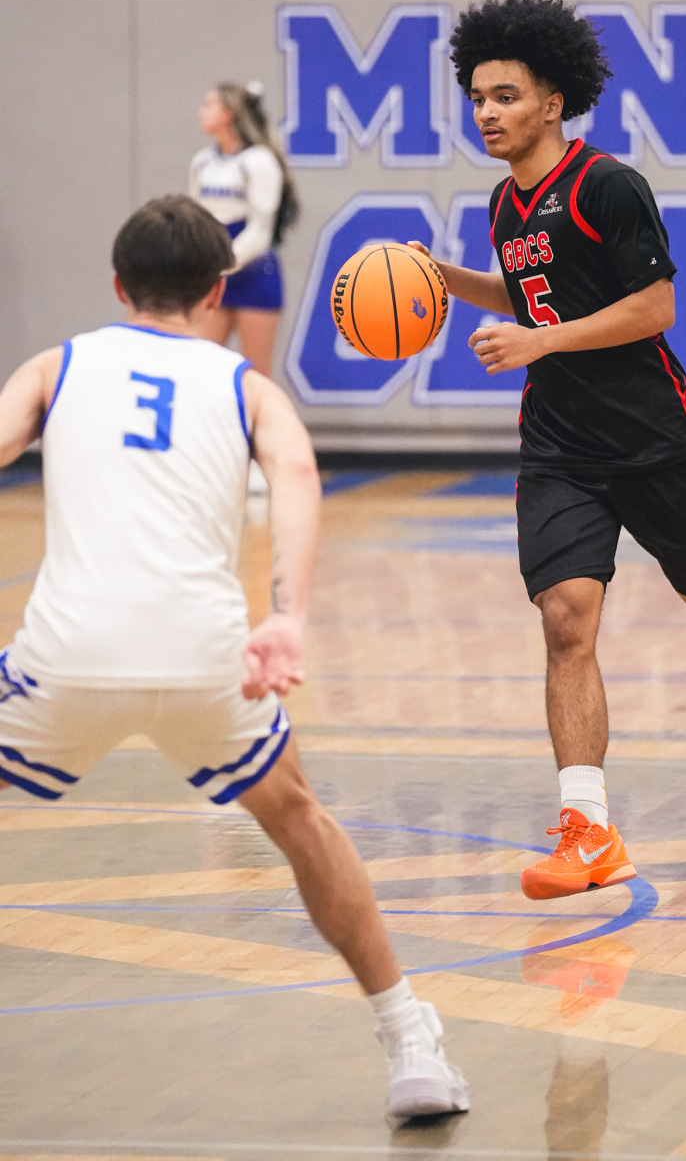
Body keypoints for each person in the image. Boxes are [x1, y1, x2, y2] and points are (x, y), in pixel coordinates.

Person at [0, 196, 468, 1125]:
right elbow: (295, 475)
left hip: (68, 657)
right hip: (210, 658)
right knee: (300, 821)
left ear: (118, 286)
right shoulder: (247, 387)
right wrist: (287, 614)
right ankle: (409, 1041)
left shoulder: (57, 366)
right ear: (218, 293)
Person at [410, 0, 686, 902]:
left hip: (653, 436)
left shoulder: (607, 186)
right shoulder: (506, 203)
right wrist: (446, 279)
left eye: (504, 96)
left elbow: (654, 308)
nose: (486, 112)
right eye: (478, 97)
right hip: (560, 445)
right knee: (565, 619)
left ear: (552, 102)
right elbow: (529, 294)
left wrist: (540, 341)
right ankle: (591, 832)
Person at [191, 82, 298, 494]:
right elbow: (196, 217)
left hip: (252, 273)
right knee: (204, 369)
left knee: (257, 374)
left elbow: (261, 230)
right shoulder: (203, 162)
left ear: (230, 113)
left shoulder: (259, 161)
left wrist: (223, 262)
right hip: (214, 272)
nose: (201, 110)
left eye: (209, 103)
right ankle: (209, 460)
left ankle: (258, 462)